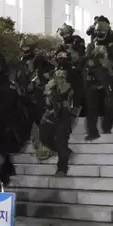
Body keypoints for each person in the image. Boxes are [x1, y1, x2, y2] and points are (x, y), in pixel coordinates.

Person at [39, 47, 75, 176]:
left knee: (61, 140)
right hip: (49, 112)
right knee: (44, 137)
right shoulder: (52, 74)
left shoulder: (72, 73)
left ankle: (62, 168)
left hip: (63, 112)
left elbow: (70, 91)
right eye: (58, 55)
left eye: (63, 55)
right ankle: (65, 151)